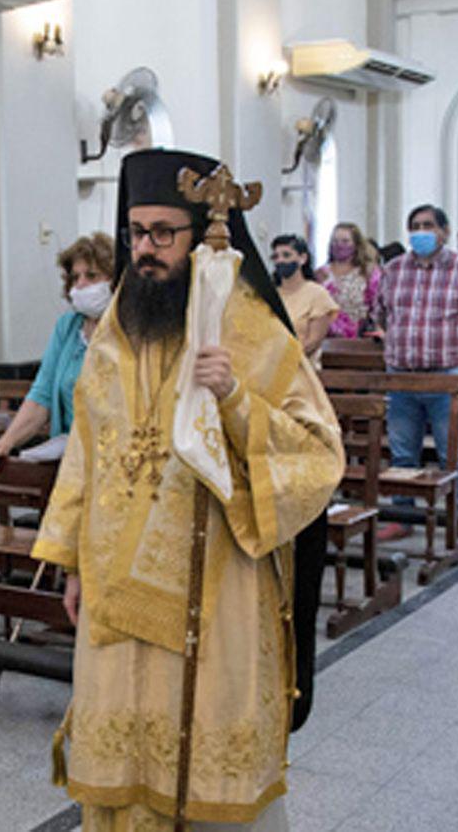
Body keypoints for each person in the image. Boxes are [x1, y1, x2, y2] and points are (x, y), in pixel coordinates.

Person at [32, 148, 344, 831]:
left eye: (161, 234)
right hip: (116, 593)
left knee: (203, 774)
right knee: (123, 772)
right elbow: (88, 444)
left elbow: (319, 453)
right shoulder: (117, 326)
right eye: (135, 233)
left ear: (201, 231)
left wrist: (234, 396)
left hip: (218, 591)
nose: (144, 250)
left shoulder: (252, 327)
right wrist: (74, 562)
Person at [372, 204, 458, 527]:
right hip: (401, 375)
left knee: (452, 453)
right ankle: (403, 517)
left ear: (443, 231)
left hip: (449, 375)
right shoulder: (394, 269)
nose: (421, 231)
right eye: (415, 226)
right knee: (402, 453)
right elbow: (381, 314)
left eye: (428, 225)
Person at [0, 232, 115, 468]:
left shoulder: (127, 329)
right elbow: (41, 396)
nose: (80, 284)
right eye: (75, 277)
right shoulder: (68, 327)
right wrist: (6, 442)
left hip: (115, 455)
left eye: (92, 276)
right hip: (69, 455)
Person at [272, 234, 339, 364]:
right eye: (276, 257)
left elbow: (313, 342)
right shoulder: (273, 294)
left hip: (302, 366)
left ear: (302, 258)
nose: (280, 260)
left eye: (286, 255)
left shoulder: (317, 294)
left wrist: (286, 361)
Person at [316, 221, 380, 339]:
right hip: (324, 339)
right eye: (335, 241)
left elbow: (378, 306)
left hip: (359, 340)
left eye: (345, 241)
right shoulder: (321, 273)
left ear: (356, 244)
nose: (339, 245)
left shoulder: (368, 272)